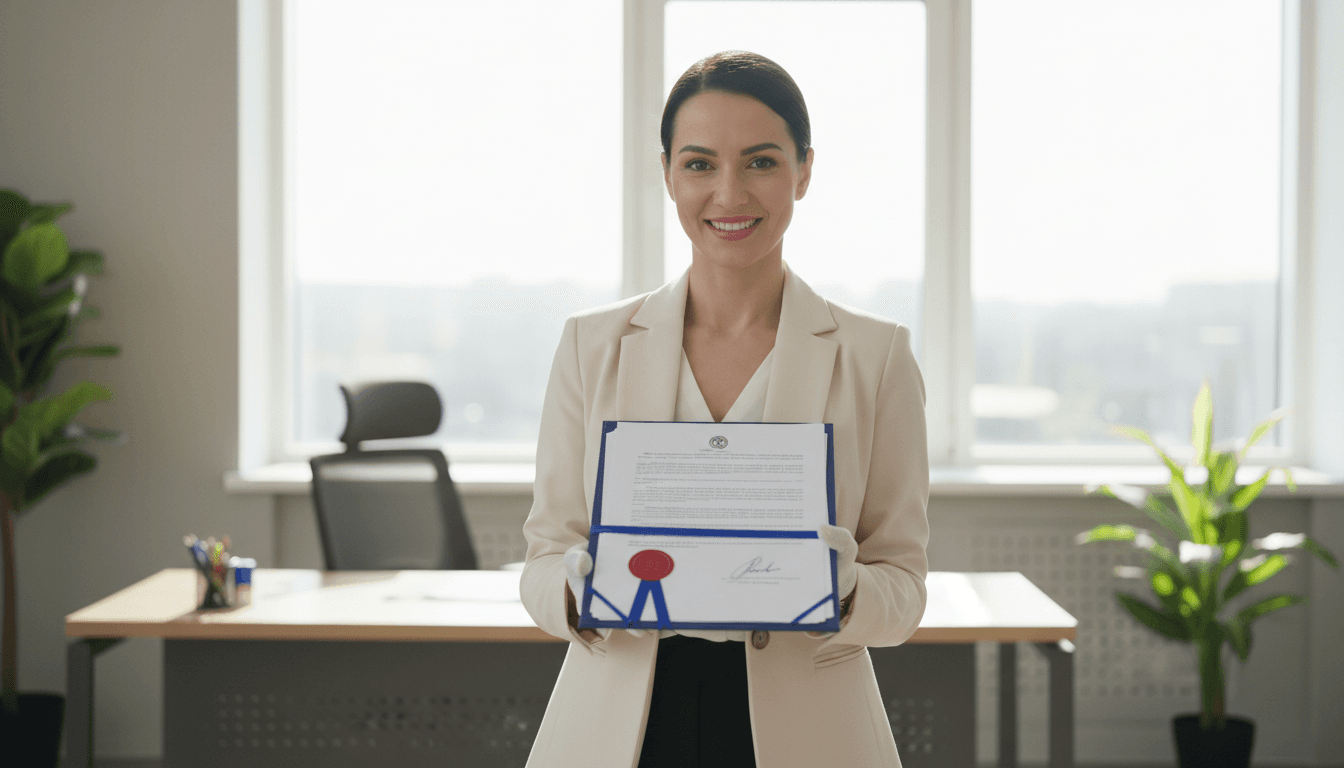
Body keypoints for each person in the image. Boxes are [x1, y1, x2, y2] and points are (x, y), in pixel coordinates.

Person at [520, 50, 930, 768]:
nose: (730, 193)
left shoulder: (877, 357)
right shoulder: (592, 346)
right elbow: (544, 554)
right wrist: (573, 586)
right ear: (668, 174)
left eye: (762, 162)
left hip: (806, 725)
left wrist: (847, 588)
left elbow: (904, 587)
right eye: (701, 164)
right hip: (623, 719)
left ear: (804, 171)